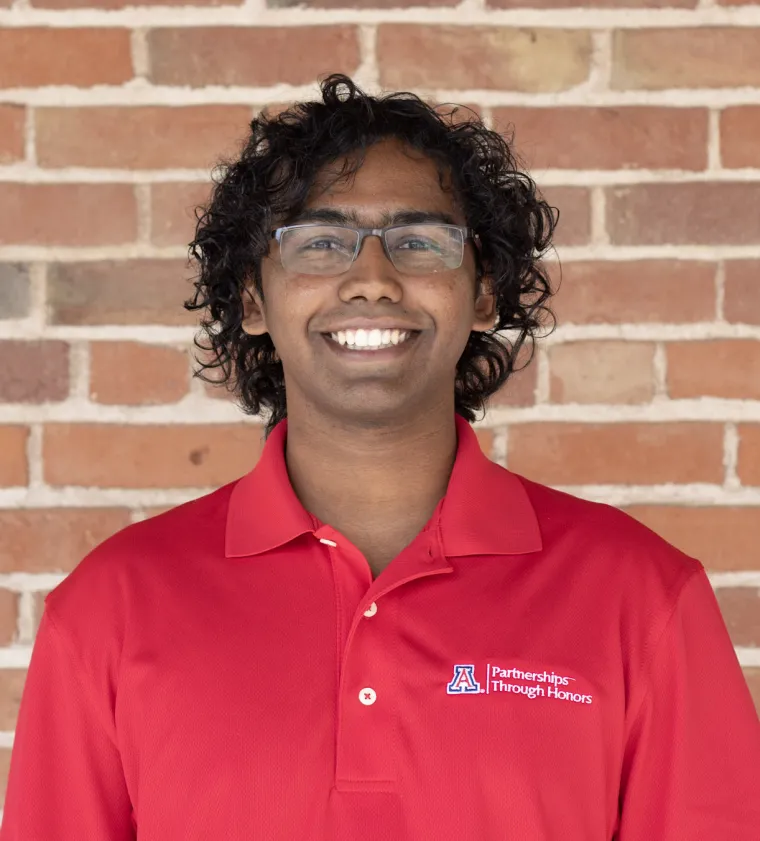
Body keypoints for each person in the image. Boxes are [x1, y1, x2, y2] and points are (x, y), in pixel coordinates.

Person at [2, 74, 758, 841]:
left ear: (484, 292)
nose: (371, 280)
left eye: (418, 241)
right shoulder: (108, 611)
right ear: (255, 299)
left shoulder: (644, 600)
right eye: (319, 242)